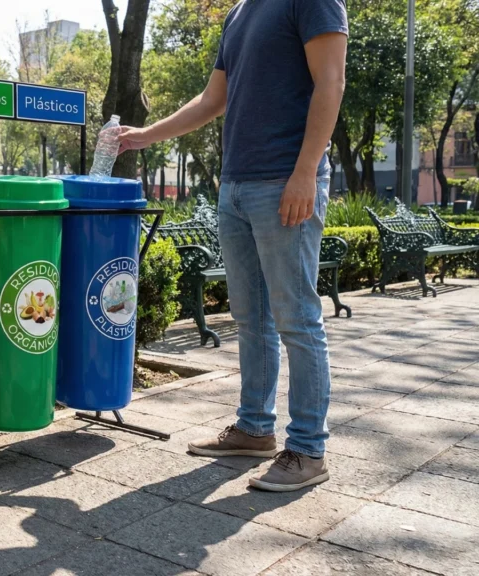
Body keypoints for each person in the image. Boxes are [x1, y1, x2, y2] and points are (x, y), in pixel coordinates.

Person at [116, 0, 348, 492]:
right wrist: (144, 137)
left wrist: (306, 172)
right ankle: (254, 428)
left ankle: (308, 449)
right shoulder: (240, 12)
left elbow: (331, 82)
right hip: (236, 186)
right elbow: (210, 100)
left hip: (285, 180)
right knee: (251, 316)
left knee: (297, 318)